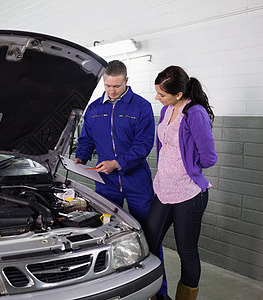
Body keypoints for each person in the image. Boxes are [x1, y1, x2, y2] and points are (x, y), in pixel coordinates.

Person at [74, 60, 170, 298]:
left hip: (136, 183)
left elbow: (143, 145)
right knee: (107, 238)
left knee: (149, 237)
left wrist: (118, 163)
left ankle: (160, 292)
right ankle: (112, 288)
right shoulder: (94, 109)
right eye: (107, 86)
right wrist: (79, 159)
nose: (112, 90)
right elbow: (86, 140)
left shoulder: (142, 107)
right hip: (106, 186)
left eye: (116, 86)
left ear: (126, 81)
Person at [145, 66, 217, 300]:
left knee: (187, 252)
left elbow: (208, 158)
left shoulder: (194, 113)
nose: (157, 98)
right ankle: (158, 294)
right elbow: (164, 147)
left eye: (162, 94)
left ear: (178, 94)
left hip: (188, 194)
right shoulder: (167, 110)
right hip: (163, 190)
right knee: (149, 243)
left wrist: (187, 165)